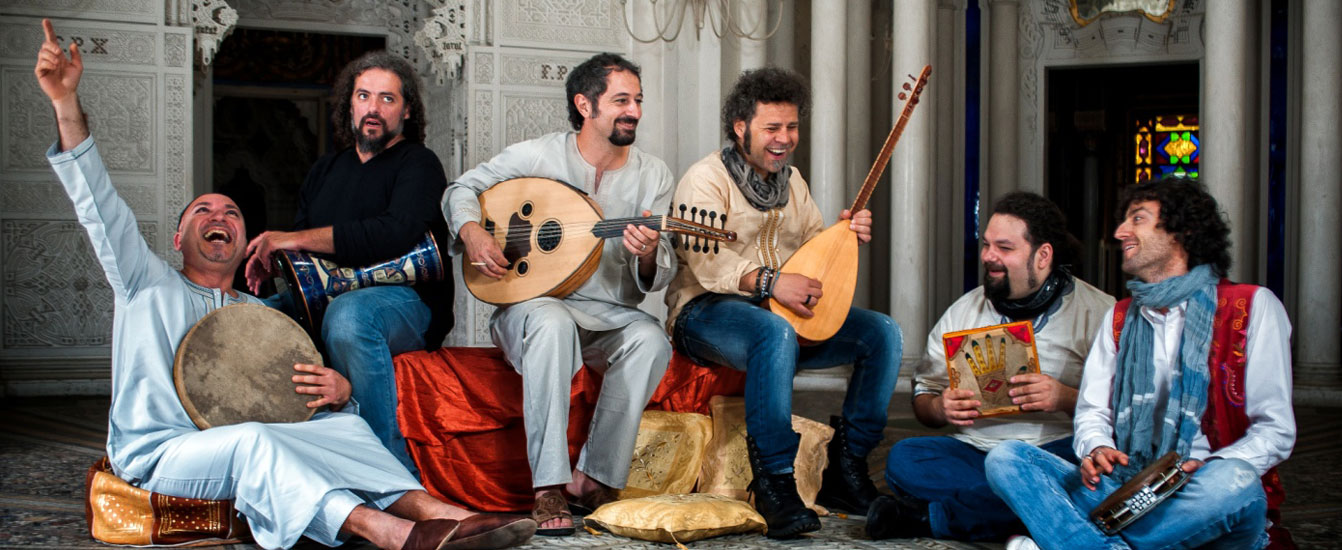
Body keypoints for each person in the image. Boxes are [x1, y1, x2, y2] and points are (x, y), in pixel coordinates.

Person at [34, 19, 533, 550]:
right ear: (178, 238)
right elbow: (98, 205)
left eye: (231, 213)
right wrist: (65, 102)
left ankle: (448, 516)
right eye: (203, 211)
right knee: (258, 438)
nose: (218, 215)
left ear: (246, 242)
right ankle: (392, 534)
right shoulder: (145, 284)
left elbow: (285, 393)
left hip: (377, 320)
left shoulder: (256, 318)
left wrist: (343, 394)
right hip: (163, 449)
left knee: (342, 427)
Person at [985, 179, 1295, 550]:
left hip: (1202, 492)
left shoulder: (1252, 307)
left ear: (1183, 231)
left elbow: (1276, 430)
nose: (1120, 232)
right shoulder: (1119, 317)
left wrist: (1209, 467)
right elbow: (1093, 412)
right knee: (1006, 459)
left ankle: (1078, 538)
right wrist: (1098, 447)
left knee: (1236, 480)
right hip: (1127, 489)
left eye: (1138, 219)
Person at [441, 53, 675, 536]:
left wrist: (649, 252)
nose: (634, 111)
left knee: (651, 339)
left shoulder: (653, 175)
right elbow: (460, 189)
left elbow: (657, 271)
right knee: (552, 321)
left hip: (608, 313)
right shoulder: (537, 155)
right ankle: (548, 486)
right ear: (585, 105)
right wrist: (472, 231)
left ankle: (595, 478)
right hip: (532, 307)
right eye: (621, 101)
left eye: (638, 100)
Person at [663, 67, 902, 538]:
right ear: (741, 127)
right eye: (772, 128)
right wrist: (773, 283)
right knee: (773, 332)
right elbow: (709, 267)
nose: (785, 138)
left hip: (776, 313)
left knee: (882, 334)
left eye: (791, 127)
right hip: (703, 312)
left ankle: (847, 469)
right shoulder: (704, 179)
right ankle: (774, 482)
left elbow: (813, 250)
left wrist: (844, 235)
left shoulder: (793, 183)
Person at [243, 50, 454, 475]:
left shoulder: (419, 163)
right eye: (363, 96)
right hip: (326, 295)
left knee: (349, 316)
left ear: (407, 110)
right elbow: (306, 253)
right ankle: (262, 460)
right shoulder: (325, 170)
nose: (373, 108)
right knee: (247, 315)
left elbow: (392, 234)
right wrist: (280, 261)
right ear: (349, 104)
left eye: (387, 98)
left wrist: (292, 238)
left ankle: (388, 472)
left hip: (406, 302)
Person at [868, 193, 1115, 541]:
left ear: (1043, 255)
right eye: (986, 245)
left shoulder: (1100, 312)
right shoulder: (963, 310)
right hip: (977, 454)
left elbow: (1127, 411)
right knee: (905, 460)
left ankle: (935, 519)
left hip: (1055, 451)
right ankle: (1033, 507)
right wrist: (939, 408)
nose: (988, 256)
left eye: (1004, 248)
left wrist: (1065, 398)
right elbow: (925, 394)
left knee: (1092, 475)